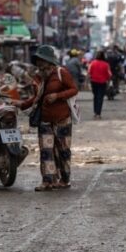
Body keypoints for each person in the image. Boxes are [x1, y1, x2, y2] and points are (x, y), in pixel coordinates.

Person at [20, 45, 79, 191]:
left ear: (49, 61)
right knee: (46, 151)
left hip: (62, 118)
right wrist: (21, 105)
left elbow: (73, 89)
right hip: (45, 119)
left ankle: (64, 179)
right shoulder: (38, 77)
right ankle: (48, 181)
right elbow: (37, 98)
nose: (39, 63)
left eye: (42, 60)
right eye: (37, 60)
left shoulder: (61, 73)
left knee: (63, 151)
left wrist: (57, 96)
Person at [88, 50, 112, 119]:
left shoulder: (92, 63)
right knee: (100, 98)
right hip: (102, 83)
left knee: (95, 97)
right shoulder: (106, 64)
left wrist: (87, 82)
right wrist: (108, 83)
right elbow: (109, 75)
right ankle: (98, 113)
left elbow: (89, 73)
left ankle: (95, 112)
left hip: (94, 82)